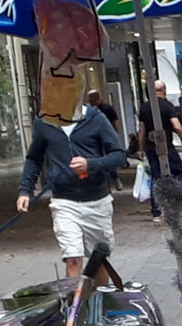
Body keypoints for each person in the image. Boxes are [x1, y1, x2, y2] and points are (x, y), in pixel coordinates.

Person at [16, 97, 128, 276]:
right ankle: (76, 304)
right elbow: (34, 159)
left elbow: (120, 155)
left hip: (97, 201)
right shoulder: (43, 123)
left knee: (98, 260)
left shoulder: (96, 119)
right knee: (72, 257)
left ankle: (99, 301)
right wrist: (25, 190)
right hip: (64, 201)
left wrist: (90, 164)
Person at [138, 81, 182, 221]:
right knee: (179, 173)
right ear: (164, 91)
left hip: (150, 147)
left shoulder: (144, 108)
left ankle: (157, 212)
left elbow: (142, 130)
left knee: (156, 177)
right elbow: (177, 126)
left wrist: (141, 148)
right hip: (166, 146)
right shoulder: (168, 106)